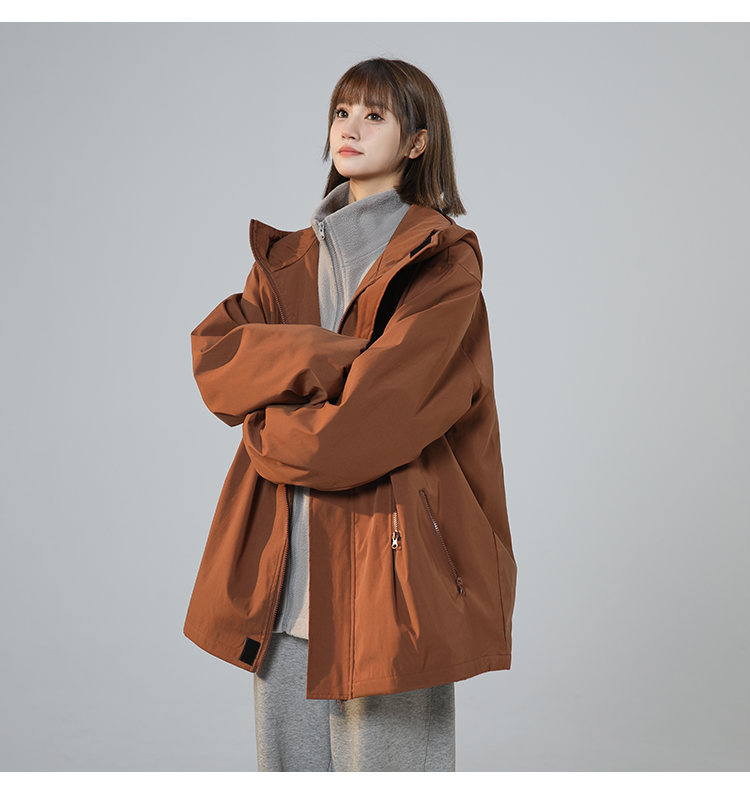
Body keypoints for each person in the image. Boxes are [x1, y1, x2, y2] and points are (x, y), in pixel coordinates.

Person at [184, 57, 517, 773]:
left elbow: (368, 423)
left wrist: (270, 416)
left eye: (374, 115)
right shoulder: (286, 263)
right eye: (342, 112)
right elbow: (216, 361)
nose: (351, 128)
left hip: (391, 580)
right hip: (282, 579)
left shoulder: (443, 265)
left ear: (418, 142)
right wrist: (335, 355)